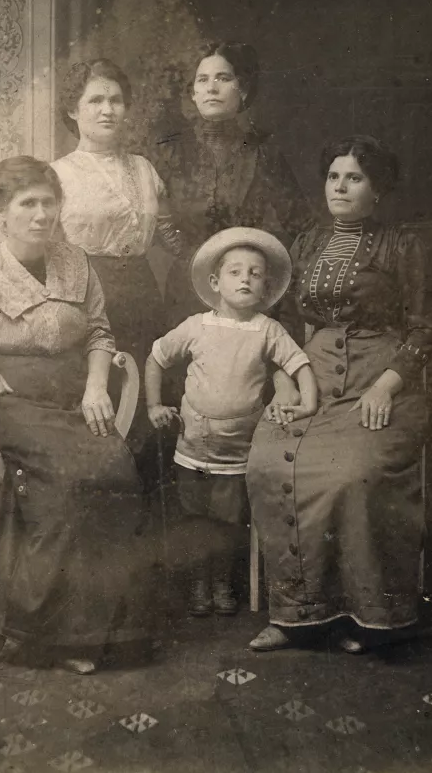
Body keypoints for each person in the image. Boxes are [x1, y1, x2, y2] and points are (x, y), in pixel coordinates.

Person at [0, 156, 155, 674]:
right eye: (28, 203)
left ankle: (105, 632)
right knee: (68, 482)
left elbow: (100, 335)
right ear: (2, 209)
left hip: (73, 401)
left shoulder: (77, 261)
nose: (42, 214)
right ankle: (50, 638)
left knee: (116, 470)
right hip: (10, 404)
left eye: (49, 202)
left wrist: (95, 386)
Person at [246, 136, 432, 654]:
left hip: (383, 378)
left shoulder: (403, 246)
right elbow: (283, 323)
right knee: (268, 462)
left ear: (377, 189)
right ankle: (294, 617)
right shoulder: (307, 242)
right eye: (334, 177)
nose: (340, 186)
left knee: (354, 472)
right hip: (312, 373)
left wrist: (386, 384)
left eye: (353, 178)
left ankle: (363, 615)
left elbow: (425, 331)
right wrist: (283, 377)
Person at [145, 227, 317, 617]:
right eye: (235, 272)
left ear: (266, 286)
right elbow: (156, 358)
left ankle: (222, 582)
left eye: (255, 274)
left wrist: (306, 403)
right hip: (191, 447)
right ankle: (198, 584)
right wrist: (155, 404)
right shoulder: (196, 326)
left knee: (226, 522)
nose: (245, 279)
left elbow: (299, 364)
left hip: (237, 452)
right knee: (193, 518)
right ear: (215, 282)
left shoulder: (268, 330)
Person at [153, 41, 313, 326]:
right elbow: (154, 219)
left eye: (223, 78)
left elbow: (304, 227)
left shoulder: (264, 154)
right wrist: (190, 255)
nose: (211, 88)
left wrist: (276, 275)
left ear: (244, 90)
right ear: (193, 93)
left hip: (246, 293)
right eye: (202, 80)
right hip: (187, 292)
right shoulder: (172, 152)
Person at [51, 58, 183, 369]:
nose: (107, 110)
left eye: (116, 101)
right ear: (73, 109)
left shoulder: (144, 168)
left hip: (143, 295)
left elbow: (170, 236)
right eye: (95, 100)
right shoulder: (56, 174)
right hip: (86, 296)